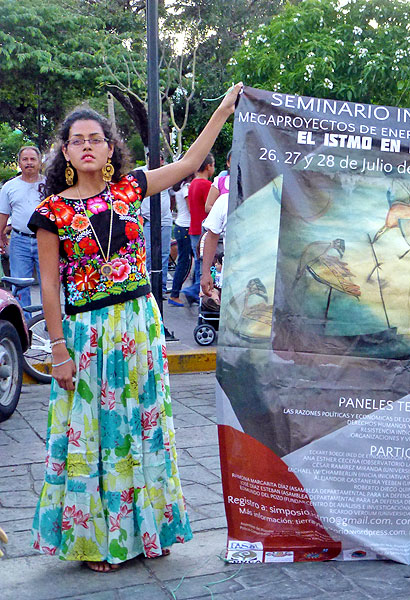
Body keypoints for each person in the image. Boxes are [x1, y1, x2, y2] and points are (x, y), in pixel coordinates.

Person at [28, 82, 243, 573]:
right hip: (86, 334)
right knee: (95, 433)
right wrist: (57, 349)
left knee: (144, 425)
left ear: (109, 147)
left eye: (95, 138)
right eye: (76, 139)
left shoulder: (131, 187)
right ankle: (99, 542)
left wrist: (223, 111)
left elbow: (190, 163)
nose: (86, 145)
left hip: (138, 325)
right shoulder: (51, 212)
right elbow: (47, 286)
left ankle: (149, 530)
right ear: (64, 151)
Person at [0, 146, 45, 311]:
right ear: (19, 163)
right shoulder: (9, 187)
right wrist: (1, 235)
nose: (29, 163)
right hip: (19, 241)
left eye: (33, 159)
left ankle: (49, 321)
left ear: (39, 162)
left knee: (48, 283)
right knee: (19, 286)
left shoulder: (49, 185)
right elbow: (3, 215)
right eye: (25, 159)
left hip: (44, 240)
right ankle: (25, 326)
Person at [181, 155, 214, 307]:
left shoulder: (193, 183)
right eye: (213, 165)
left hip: (194, 227)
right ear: (208, 166)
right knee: (204, 263)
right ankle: (195, 290)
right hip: (203, 228)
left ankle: (195, 291)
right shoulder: (206, 185)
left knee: (198, 260)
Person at [141, 154, 173, 296]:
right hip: (148, 219)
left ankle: (162, 287)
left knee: (164, 253)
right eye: (152, 157)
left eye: (160, 158)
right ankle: (149, 286)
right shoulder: (141, 173)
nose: (156, 160)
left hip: (165, 220)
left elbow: (174, 191)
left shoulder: (167, 172)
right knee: (148, 252)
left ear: (162, 160)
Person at [168, 177, 192, 307]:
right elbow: (191, 209)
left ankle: (182, 291)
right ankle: (175, 294)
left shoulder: (179, 187)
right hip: (186, 227)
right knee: (184, 261)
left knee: (185, 261)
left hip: (180, 226)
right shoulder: (186, 189)